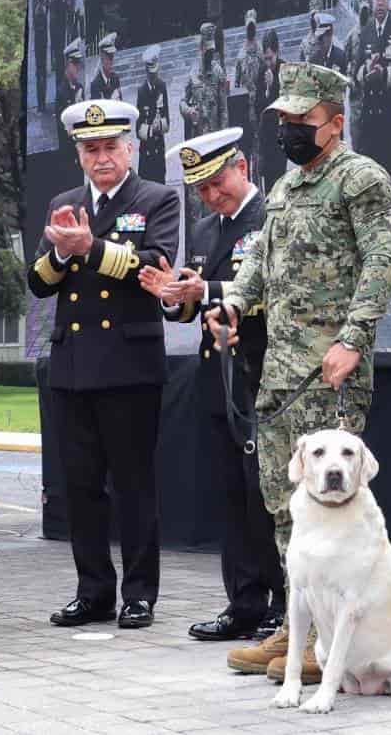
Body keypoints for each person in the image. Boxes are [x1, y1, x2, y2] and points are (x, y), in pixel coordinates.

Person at [207, 62, 391, 686]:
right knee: (286, 508)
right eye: (284, 120)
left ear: (335, 122)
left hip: (330, 370)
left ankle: (325, 641)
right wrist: (233, 302)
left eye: (302, 121)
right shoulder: (287, 189)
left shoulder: (359, 180)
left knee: (332, 511)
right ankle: (299, 627)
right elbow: (259, 259)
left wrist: (354, 337)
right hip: (280, 374)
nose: (289, 130)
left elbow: (384, 257)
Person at [28, 99, 180, 631]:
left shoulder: (157, 199)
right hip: (72, 367)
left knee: (134, 486)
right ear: (79, 156)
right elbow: (39, 281)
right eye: (91, 149)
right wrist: (64, 253)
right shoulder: (65, 201)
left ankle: (139, 594)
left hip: (130, 366)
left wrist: (89, 247)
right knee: (81, 487)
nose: (102, 157)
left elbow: (154, 265)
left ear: (131, 149)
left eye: (111, 147)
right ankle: (92, 591)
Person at [140, 128, 284, 642]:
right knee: (232, 497)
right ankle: (243, 601)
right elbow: (190, 305)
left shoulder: (273, 217)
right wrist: (171, 296)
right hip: (215, 377)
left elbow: (275, 290)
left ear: (242, 167)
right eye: (200, 188)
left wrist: (210, 289)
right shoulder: (203, 230)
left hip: (261, 374)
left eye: (217, 182)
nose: (210, 195)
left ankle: (284, 605)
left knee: (268, 495)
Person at [354, 0, 391, 186]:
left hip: (387, 108)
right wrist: (366, 71)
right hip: (369, 109)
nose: (381, 3)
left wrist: (383, 73)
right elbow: (356, 70)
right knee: (371, 163)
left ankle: (389, 206)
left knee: (387, 162)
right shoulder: (365, 32)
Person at [182, 22, 229, 140]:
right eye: (207, 51)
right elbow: (182, 102)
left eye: (212, 51)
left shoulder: (218, 72)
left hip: (215, 133)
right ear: (201, 48)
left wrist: (224, 137)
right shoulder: (193, 74)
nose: (210, 55)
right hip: (199, 135)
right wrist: (189, 111)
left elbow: (223, 109)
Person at [253, 29, 286, 193]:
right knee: (269, 189)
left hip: (281, 137)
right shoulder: (261, 73)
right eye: (265, 59)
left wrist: (273, 87)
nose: (268, 63)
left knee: (281, 184)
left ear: (277, 52)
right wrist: (266, 90)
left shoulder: (284, 69)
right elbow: (258, 105)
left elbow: (287, 102)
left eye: (270, 58)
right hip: (266, 137)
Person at [135, 45, 170, 184]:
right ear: (147, 72)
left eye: (156, 73)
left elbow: (167, 119)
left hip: (159, 149)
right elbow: (138, 129)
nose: (155, 76)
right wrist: (150, 129)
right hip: (147, 152)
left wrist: (160, 125)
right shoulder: (141, 92)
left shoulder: (162, 86)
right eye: (152, 74)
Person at [235, 9, 265, 166]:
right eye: (248, 27)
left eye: (253, 27)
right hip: (245, 109)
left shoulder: (262, 53)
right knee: (246, 150)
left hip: (260, 107)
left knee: (259, 151)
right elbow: (236, 84)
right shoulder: (240, 56)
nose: (251, 30)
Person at [344, 0, 372, 148]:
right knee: (356, 141)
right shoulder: (351, 37)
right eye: (362, 9)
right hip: (356, 99)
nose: (364, 13)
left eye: (366, 10)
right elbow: (343, 62)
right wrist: (349, 78)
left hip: (373, 99)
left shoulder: (377, 33)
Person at [90, 32, 123, 101]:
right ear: (102, 58)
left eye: (112, 57)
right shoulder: (95, 85)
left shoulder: (115, 79)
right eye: (108, 58)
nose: (111, 62)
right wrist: (112, 101)